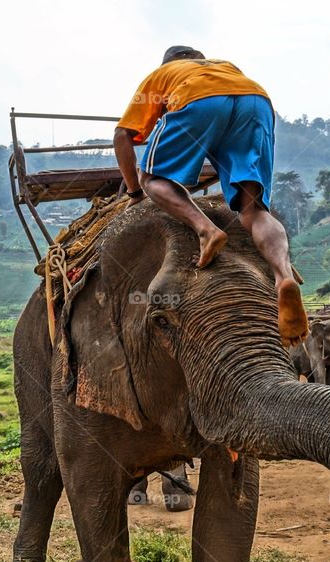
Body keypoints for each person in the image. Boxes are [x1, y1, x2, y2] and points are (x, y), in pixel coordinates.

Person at [113, 45, 308, 345]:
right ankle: (284, 276)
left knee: (152, 176)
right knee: (253, 209)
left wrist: (136, 192)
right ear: (198, 60)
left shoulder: (163, 75)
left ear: (169, 64)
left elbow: (122, 135)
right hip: (256, 101)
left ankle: (205, 230)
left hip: (198, 100)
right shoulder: (226, 66)